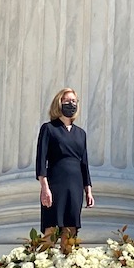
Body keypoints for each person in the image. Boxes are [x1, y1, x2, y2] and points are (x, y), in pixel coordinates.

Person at [36, 88, 93, 243]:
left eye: (74, 101)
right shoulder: (49, 128)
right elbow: (41, 160)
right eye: (67, 101)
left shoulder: (81, 133)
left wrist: (88, 190)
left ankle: (67, 264)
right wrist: (44, 187)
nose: (71, 104)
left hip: (75, 184)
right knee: (51, 228)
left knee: (70, 228)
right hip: (55, 183)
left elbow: (84, 163)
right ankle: (43, 264)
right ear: (59, 103)